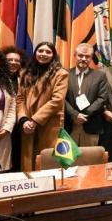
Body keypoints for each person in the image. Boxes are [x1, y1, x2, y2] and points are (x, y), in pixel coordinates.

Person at [17, 42, 69, 171]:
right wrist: (23, 120)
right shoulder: (25, 72)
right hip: (27, 125)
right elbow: (20, 99)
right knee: (29, 165)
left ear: (53, 55)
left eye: (48, 52)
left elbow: (57, 100)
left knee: (48, 164)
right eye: (40, 51)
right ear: (35, 53)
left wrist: (35, 120)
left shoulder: (60, 73)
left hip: (49, 124)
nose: (43, 54)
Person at [64, 43, 109, 147]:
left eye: (87, 56)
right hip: (70, 124)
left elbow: (102, 98)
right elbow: (61, 98)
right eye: (80, 55)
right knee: (69, 161)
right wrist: (74, 114)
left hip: (91, 124)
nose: (83, 59)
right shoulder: (64, 74)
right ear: (75, 55)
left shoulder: (100, 75)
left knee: (90, 159)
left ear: (91, 58)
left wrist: (84, 115)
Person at [1, 46, 25, 171]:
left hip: (18, 126)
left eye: (17, 60)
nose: (14, 63)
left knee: (17, 155)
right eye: (10, 60)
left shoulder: (23, 78)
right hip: (1, 126)